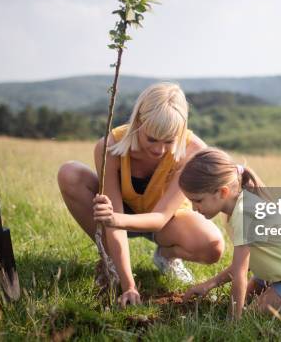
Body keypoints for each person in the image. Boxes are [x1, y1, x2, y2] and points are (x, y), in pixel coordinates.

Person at [58, 82, 224, 307]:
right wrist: (129, 286)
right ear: (138, 123)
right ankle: (111, 261)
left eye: (169, 141)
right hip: (120, 214)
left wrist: (115, 219)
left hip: (165, 221)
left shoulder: (194, 152)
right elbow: (113, 216)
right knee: (70, 173)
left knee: (213, 246)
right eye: (152, 139)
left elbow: (160, 218)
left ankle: (166, 257)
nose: (158, 150)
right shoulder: (111, 146)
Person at [179, 148, 281, 319]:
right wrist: (210, 284)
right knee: (248, 300)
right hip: (279, 266)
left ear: (222, 192)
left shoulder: (245, 214)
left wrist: (233, 322)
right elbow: (246, 264)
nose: (193, 208)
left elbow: (240, 275)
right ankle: (277, 287)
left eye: (197, 200)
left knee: (252, 316)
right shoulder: (236, 207)